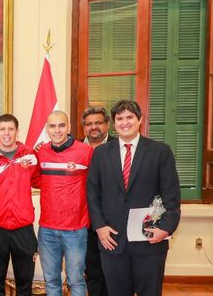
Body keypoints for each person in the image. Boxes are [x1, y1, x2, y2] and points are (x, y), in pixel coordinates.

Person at [87, 100, 181, 296]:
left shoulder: (160, 151)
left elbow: (171, 196)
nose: (125, 122)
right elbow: (93, 194)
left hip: (150, 241)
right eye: (119, 118)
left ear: (139, 120)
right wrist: (99, 226)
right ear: (114, 123)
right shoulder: (101, 154)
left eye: (129, 117)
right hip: (111, 240)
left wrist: (165, 228)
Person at [36, 110, 92, 296]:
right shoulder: (41, 153)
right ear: (47, 129)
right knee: (51, 281)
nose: (57, 130)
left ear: (68, 127)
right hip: (47, 230)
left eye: (61, 125)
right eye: (52, 126)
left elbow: (95, 186)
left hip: (76, 230)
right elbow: (35, 180)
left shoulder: (85, 151)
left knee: (76, 280)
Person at [0, 114, 40, 296]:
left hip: (23, 228)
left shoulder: (30, 156)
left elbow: (41, 181)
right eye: (3, 129)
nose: (7, 133)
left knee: (25, 285)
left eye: (11, 129)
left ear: (17, 131)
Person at [81, 106, 116, 296]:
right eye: (89, 124)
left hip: (112, 223)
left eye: (98, 122)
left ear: (107, 124)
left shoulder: (119, 147)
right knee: (93, 274)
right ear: (83, 127)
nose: (94, 127)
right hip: (84, 223)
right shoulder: (74, 147)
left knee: (115, 274)